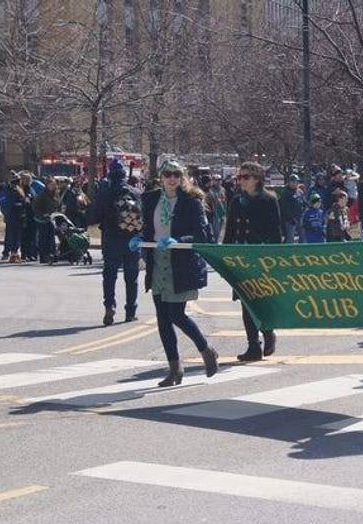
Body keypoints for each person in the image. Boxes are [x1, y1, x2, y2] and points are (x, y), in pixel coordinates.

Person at [129, 160, 219, 386]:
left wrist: (178, 241)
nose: (171, 179)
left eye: (176, 175)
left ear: (182, 178)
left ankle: (206, 349)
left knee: (176, 314)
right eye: (168, 174)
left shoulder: (192, 201)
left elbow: (201, 235)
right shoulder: (150, 199)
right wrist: (140, 239)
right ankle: (174, 368)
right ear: (161, 177)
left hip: (180, 261)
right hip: (158, 261)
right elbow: (147, 228)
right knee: (162, 317)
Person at [224, 162, 283, 362]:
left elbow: (276, 233)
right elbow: (230, 231)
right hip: (240, 258)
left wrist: (273, 259)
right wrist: (224, 255)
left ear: (257, 178)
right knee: (246, 303)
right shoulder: (235, 201)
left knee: (261, 301)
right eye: (239, 177)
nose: (241, 181)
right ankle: (253, 346)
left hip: (260, 259)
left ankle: (268, 333)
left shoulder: (269, 200)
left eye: (245, 177)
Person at [89, 159, 142, 325]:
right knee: (131, 277)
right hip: (132, 240)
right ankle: (131, 311)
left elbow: (94, 217)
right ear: (124, 174)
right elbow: (143, 217)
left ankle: (109, 305)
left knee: (110, 275)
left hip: (111, 239)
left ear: (109, 173)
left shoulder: (104, 193)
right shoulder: (135, 192)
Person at [31, 178, 62, 264]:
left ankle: (52, 254)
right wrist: (42, 214)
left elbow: (57, 204)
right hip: (42, 220)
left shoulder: (55, 194)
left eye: (54, 184)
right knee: (43, 238)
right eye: (51, 185)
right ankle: (43, 256)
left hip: (52, 219)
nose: (53, 186)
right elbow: (35, 207)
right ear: (47, 185)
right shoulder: (42, 195)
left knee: (51, 238)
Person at [277, 174, 305, 244]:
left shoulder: (300, 192)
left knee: (303, 237)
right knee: (290, 239)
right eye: (292, 182)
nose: (294, 183)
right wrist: (292, 218)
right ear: (289, 182)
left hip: (299, 218)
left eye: (296, 182)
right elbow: (285, 208)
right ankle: (288, 254)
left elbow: (304, 202)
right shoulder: (285, 193)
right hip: (289, 220)